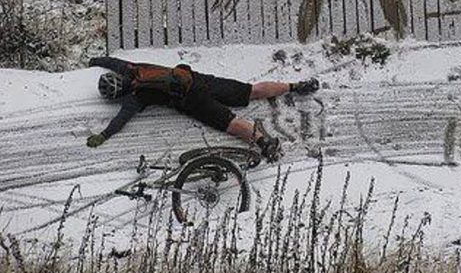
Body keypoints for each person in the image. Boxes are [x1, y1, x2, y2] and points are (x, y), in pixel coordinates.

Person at [87, 56, 319, 162]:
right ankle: (295, 86)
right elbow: (109, 60)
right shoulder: (130, 67)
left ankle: (264, 142)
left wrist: (103, 135)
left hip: (191, 101)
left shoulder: (134, 99)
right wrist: (95, 61)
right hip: (196, 79)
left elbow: (120, 121)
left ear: (118, 94)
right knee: (252, 90)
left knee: (229, 122)